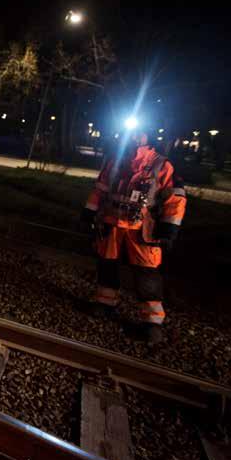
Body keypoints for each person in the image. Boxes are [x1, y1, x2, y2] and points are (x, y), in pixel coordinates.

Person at [81, 125, 187, 345]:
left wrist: (169, 227)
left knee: (146, 275)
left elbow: (175, 198)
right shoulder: (116, 160)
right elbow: (100, 188)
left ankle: (152, 323)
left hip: (142, 231)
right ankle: (105, 303)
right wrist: (89, 212)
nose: (134, 137)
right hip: (112, 225)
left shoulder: (162, 165)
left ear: (148, 136)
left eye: (139, 133)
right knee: (107, 265)